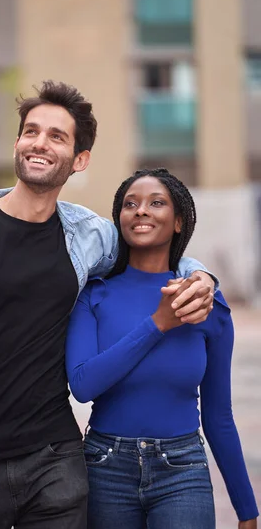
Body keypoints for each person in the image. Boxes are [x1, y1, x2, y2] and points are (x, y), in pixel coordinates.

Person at [0, 83, 215, 529]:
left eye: (56, 136)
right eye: (31, 132)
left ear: (79, 159)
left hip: (56, 463)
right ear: (19, 142)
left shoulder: (85, 236)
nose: (40, 142)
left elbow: (152, 245)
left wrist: (201, 276)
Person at [65, 168, 259, 529]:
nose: (141, 211)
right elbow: (82, 384)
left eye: (156, 203)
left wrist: (246, 508)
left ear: (179, 222)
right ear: (119, 219)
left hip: (182, 470)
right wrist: (158, 324)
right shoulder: (94, 294)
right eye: (130, 204)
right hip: (105, 468)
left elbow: (218, 415)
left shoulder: (205, 303)